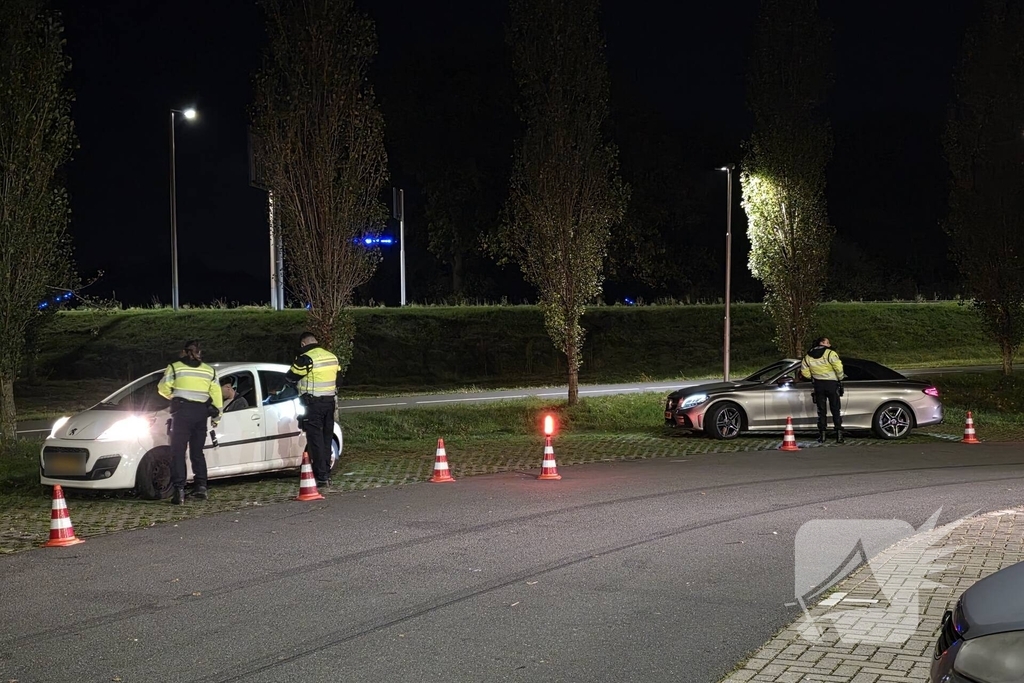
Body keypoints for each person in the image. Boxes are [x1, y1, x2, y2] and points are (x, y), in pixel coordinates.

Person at [157, 340, 222, 504]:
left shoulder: (175, 368)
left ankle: (179, 491)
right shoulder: (209, 371)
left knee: (178, 452)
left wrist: (174, 397)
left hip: (182, 412)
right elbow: (217, 397)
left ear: (185, 351)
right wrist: (216, 417)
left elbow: (162, 388)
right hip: (201, 414)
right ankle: (201, 488)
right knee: (197, 452)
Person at [284, 332, 340, 487]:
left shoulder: (306, 359)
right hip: (329, 403)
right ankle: (326, 473)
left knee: (315, 440)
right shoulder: (332, 357)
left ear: (303, 344)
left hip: (313, 405)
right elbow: (339, 380)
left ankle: (321, 476)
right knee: (326, 438)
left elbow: (291, 377)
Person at [801, 336, 845, 444]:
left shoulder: (808, 356)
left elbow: (804, 371)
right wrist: (840, 377)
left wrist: (813, 377)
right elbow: (838, 367)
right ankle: (839, 436)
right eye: (827, 342)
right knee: (835, 409)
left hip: (818, 384)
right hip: (831, 384)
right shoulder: (830, 353)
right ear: (822, 343)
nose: (829, 344)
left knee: (821, 411)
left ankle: (822, 436)